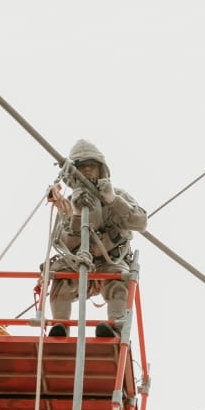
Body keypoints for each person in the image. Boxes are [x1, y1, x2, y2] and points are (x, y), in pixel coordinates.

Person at [44, 139, 147, 338]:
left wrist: (113, 200)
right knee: (61, 278)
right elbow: (63, 241)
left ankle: (114, 328)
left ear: (101, 170)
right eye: (81, 167)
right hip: (79, 261)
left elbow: (140, 222)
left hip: (111, 260)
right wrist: (75, 213)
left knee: (118, 280)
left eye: (91, 166)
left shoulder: (117, 195)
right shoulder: (68, 204)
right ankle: (60, 327)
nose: (87, 171)